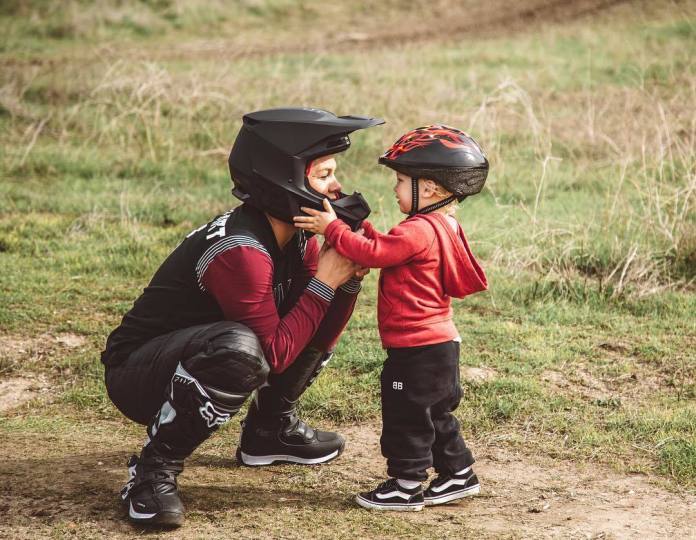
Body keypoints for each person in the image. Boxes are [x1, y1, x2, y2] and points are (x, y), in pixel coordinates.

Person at [101, 107, 384, 526]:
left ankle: (268, 430)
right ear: (283, 179)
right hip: (137, 375)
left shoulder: (297, 236)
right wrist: (326, 281)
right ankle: (151, 472)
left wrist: (344, 280)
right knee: (241, 349)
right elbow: (274, 353)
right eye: (324, 175)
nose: (338, 187)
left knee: (291, 319)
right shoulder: (241, 251)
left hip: (202, 354)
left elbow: (315, 327)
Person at [294, 124, 489, 511]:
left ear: (429, 188)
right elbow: (385, 247)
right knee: (435, 414)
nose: (394, 188)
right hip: (440, 345)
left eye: (401, 181)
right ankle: (458, 475)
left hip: (417, 348)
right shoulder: (440, 225)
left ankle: (406, 483)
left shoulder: (419, 229)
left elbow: (377, 255)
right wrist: (360, 227)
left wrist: (330, 227)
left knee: (406, 415)